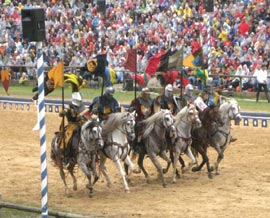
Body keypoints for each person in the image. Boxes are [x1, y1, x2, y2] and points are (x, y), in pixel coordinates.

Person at [59, 92, 89, 166]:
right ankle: (66, 157)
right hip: (71, 126)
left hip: (80, 125)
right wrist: (64, 111)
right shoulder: (68, 106)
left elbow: (86, 116)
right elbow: (60, 114)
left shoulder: (81, 106)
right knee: (67, 140)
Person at [129, 87, 154, 156]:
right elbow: (131, 108)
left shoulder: (151, 101)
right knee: (138, 128)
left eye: (147, 94)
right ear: (142, 94)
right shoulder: (137, 101)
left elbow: (154, 110)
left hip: (149, 119)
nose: (146, 95)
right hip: (139, 119)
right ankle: (136, 145)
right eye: (145, 94)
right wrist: (132, 108)